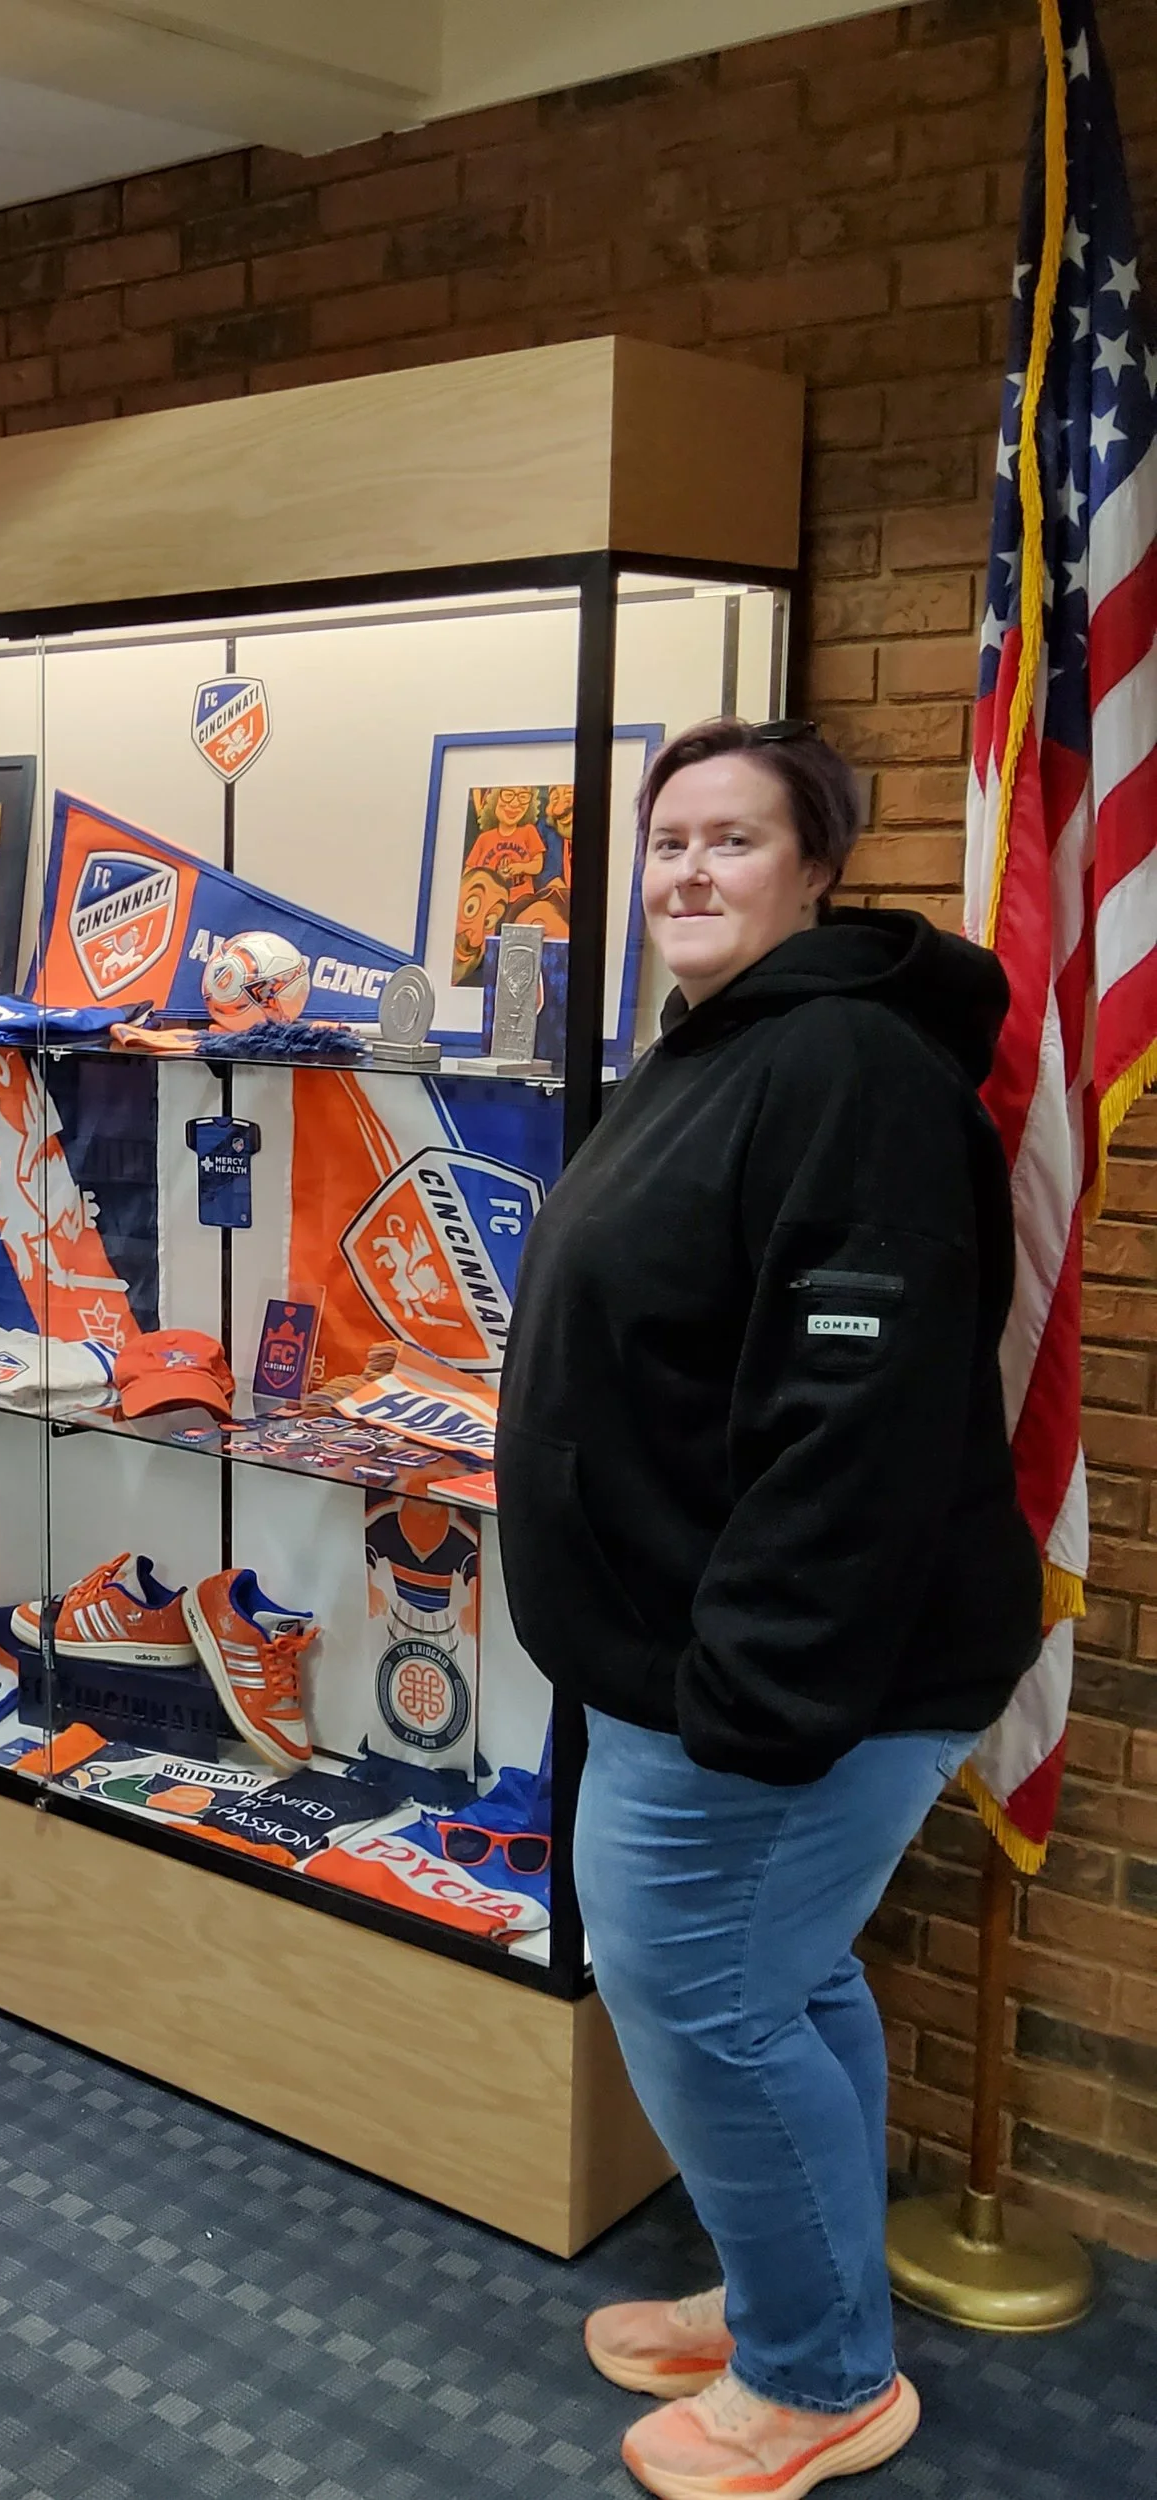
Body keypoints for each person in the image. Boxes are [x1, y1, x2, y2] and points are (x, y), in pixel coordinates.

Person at [495, 719, 1039, 2499]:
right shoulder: (723, 1049)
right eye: (667, 844)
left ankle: (820, 2380)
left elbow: (856, 1424)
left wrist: (756, 1688)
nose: (689, 873)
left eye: (733, 841)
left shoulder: (853, 1069)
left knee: (704, 1992)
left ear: (816, 869)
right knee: (783, 1985)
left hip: (782, 1682)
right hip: (688, 1657)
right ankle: (786, 2287)